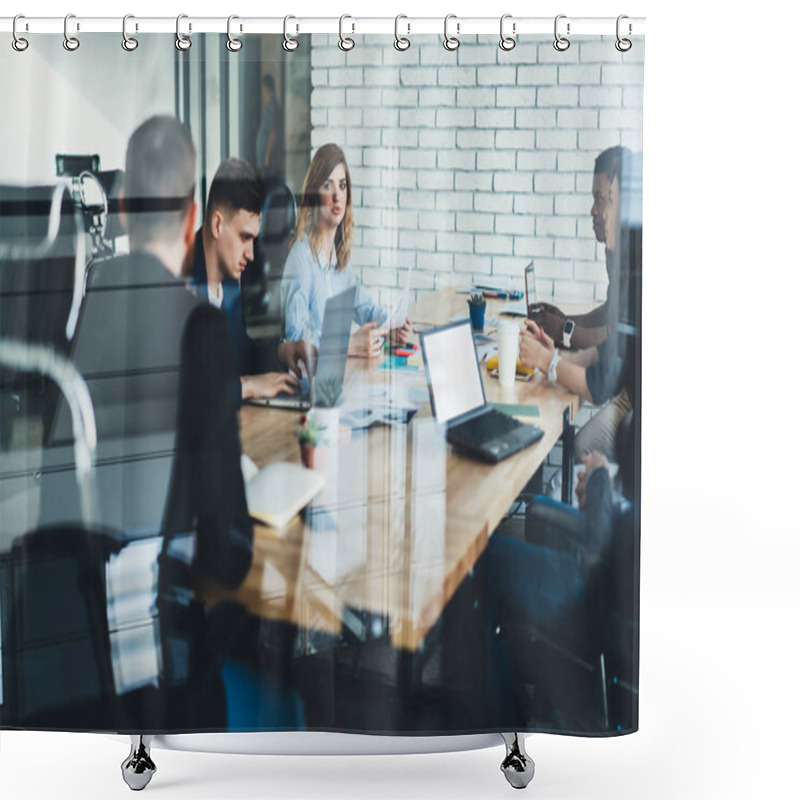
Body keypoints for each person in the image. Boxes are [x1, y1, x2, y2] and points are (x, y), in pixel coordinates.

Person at [520, 147, 640, 461]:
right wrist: (557, 344)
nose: (596, 211)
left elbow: (600, 384)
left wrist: (550, 361)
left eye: (606, 200)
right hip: (630, 386)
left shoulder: (637, 272)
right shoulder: (622, 256)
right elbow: (608, 343)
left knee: (582, 445)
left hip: (635, 396)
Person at [191, 158, 314, 402]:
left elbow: (242, 349)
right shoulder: (180, 282)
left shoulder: (227, 279)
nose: (251, 254)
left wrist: (283, 351)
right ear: (217, 224)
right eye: (244, 237)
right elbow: (181, 389)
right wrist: (245, 386)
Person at [281, 143, 412, 358]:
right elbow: (296, 339)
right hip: (310, 387)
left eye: (342, 186)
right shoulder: (301, 258)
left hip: (337, 377)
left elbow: (366, 309)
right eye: (327, 185)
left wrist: (391, 326)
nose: (337, 196)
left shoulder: (338, 258)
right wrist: (346, 345)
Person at [531, 146, 631, 352]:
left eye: (601, 198)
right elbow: (610, 313)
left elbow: (617, 338)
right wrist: (563, 320)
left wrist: (562, 330)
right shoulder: (614, 250)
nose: (593, 210)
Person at [255, 74, 284, 182]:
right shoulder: (271, 105)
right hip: (267, 161)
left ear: (266, 88)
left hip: (269, 162)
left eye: (262, 89)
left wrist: (266, 158)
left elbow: (273, 132)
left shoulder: (272, 105)